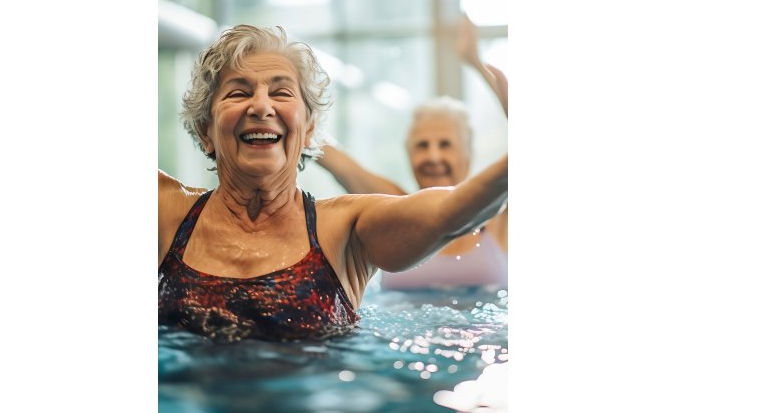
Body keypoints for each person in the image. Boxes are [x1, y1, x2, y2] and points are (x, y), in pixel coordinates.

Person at [158, 24, 508, 341]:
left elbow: (453, 212)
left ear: (309, 130)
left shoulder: (345, 229)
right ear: (206, 131)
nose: (261, 105)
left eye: (281, 93)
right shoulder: (167, 214)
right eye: (238, 93)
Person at [315, 15, 509, 290]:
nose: (432, 157)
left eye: (445, 145)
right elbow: (326, 152)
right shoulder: (394, 209)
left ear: (467, 154)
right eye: (422, 145)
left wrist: (476, 65)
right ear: (408, 155)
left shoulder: (498, 216)